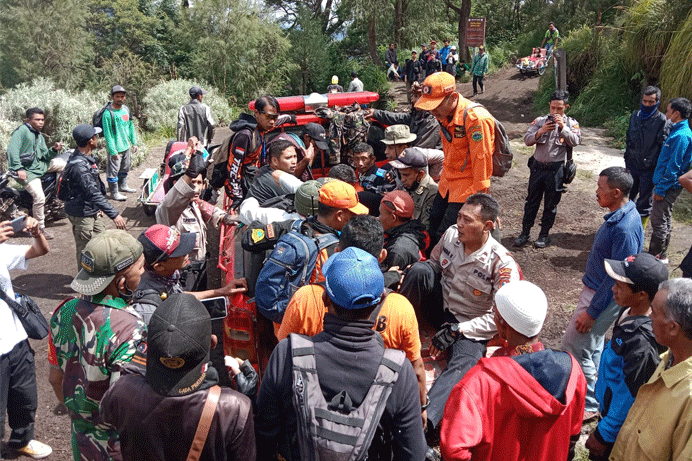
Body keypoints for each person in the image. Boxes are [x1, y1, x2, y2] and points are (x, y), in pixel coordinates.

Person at [255, 247, 426, 460]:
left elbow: (264, 434)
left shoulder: (287, 355)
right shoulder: (399, 372)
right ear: (381, 298)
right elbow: (413, 454)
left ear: (325, 297)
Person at [277, 215, 427, 421]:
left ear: (337, 251)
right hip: (373, 421)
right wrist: (422, 408)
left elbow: (284, 358)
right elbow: (416, 369)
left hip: (310, 415)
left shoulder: (305, 297)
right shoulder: (400, 307)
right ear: (382, 256)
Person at [399, 193, 520, 431]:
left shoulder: (501, 264)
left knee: (465, 364)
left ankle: (424, 422)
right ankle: (395, 328)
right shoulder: (451, 235)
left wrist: (458, 329)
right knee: (420, 271)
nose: (460, 224)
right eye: (459, 217)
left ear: (487, 226)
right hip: (440, 306)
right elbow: (433, 264)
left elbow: (500, 318)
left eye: (467, 220)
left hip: (469, 322)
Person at [440, 281, 586, 461]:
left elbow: (453, 450)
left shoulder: (479, 382)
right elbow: (573, 435)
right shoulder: (572, 370)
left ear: (501, 325)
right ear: (544, 320)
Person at [100, 293, 256, 461]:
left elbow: (108, 421)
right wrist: (249, 401)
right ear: (212, 343)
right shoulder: (234, 407)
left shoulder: (122, 391)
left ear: (148, 346)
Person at [49, 230, 146, 461]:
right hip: (117, 448)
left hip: (81, 440)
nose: (144, 272)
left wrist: (81, 418)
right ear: (121, 283)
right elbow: (126, 407)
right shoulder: (130, 329)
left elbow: (55, 378)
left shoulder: (63, 311)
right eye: (141, 267)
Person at [561, 167, 644, 421]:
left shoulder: (624, 228)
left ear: (616, 192)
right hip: (600, 292)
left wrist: (592, 312)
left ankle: (588, 405)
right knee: (593, 345)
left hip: (601, 295)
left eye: (601, 188)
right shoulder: (623, 216)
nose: (596, 192)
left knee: (575, 345)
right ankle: (596, 393)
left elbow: (616, 277)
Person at [584, 253, 668, 461]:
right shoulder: (628, 311)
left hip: (618, 430)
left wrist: (603, 435)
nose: (613, 288)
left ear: (641, 295)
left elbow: (629, 395)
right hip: (608, 411)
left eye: (620, 286)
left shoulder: (641, 343)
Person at [609, 278, 692, 460]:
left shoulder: (688, 398)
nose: (649, 317)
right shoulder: (669, 358)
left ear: (672, 328)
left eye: (654, 312)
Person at [414, 71, 495, 247]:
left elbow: (482, 161)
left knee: (448, 236)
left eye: (436, 105)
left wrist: (481, 203)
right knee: (432, 224)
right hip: (447, 184)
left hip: (466, 189)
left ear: (453, 97)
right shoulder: (444, 116)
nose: (432, 111)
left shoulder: (475, 119)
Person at [0, 217, 51, 459]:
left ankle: (22, 440)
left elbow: (39, 251)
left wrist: (36, 233)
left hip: (17, 342)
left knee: (25, 399)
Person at [130, 224, 247, 325]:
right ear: (159, 266)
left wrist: (222, 291)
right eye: (179, 253)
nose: (187, 253)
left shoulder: (166, 276)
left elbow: (179, 296)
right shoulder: (147, 311)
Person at [156, 137, 234, 289]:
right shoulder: (168, 209)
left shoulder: (195, 204)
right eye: (192, 183)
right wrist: (191, 171)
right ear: (176, 184)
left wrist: (225, 217)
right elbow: (175, 197)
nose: (197, 188)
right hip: (182, 274)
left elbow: (210, 209)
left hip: (200, 267)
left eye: (199, 182)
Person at [514, 90, 581, 249]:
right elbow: (527, 140)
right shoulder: (539, 121)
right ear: (549, 105)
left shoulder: (571, 124)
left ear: (566, 107)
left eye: (560, 108)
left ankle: (544, 235)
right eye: (553, 108)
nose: (555, 111)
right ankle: (525, 233)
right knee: (531, 202)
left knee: (550, 205)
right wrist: (541, 131)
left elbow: (575, 141)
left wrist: (563, 127)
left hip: (556, 170)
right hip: (537, 168)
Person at [62, 124, 127, 270]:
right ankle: (83, 280)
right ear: (90, 141)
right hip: (82, 214)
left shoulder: (88, 158)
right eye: (95, 136)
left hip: (92, 210)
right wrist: (114, 215)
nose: (98, 138)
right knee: (86, 250)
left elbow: (97, 185)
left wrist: (99, 206)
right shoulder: (80, 167)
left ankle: (98, 273)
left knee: (100, 243)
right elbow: (92, 192)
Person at [224, 95, 292, 210]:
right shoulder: (245, 135)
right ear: (256, 113)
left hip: (255, 179)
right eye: (268, 116)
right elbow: (233, 169)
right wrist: (237, 197)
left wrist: (290, 117)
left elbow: (278, 121)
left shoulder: (262, 128)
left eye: (275, 117)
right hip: (243, 186)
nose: (272, 121)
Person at [6, 107, 65, 239]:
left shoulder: (38, 134)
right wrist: (19, 168)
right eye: (37, 120)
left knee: (66, 165)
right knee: (39, 198)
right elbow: (12, 151)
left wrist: (54, 149)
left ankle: (57, 196)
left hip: (40, 166)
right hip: (27, 171)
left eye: (42, 120)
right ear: (28, 120)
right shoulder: (21, 132)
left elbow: (45, 156)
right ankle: (40, 228)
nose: (41, 122)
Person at [648, 97, 692, 263]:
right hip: (667, 184)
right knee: (664, 218)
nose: (666, 114)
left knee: (658, 221)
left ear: (676, 113)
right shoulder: (678, 131)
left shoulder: (681, 136)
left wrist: (661, 189)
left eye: (668, 111)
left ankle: (654, 258)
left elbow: (674, 166)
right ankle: (662, 255)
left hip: (668, 186)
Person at [624, 86, 670, 226]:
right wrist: (628, 156)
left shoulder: (661, 120)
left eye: (651, 102)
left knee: (644, 202)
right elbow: (629, 137)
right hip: (631, 164)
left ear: (657, 102)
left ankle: (639, 230)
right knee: (626, 196)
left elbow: (663, 146)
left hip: (649, 168)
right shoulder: (635, 116)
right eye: (645, 101)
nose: (647, 105)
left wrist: (657, 167)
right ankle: (624, 226)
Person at [379, 190, 426, 288]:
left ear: (393, 218)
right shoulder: (413, 229)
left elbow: (389, 285)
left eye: (381, 214)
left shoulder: (397, 250)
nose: (378, 218)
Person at [103, 85, 138, 201]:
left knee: (125, 168)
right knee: (113, 172)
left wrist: (134, 143)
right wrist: (113, 151)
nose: (120, 99)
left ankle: (123, 186)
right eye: (117, 96)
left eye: (122, 96)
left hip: (126, 146)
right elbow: (107, 133)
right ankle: (114, 193)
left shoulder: (126, 110)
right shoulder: (108, 113)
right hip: (115, 148)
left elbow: (130, 126)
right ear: (112, 97)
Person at [390, 147, 439, 229]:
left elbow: (425, 228)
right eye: (400, 174)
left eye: (406, 175)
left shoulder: (432, 192)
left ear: (420, 175)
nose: (402, 179)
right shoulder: (409, 185)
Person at [365, 101, 443, 151]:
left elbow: (419, 151)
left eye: (420, 96)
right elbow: (397, 118)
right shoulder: (417, 115)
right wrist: (375, 113)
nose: (416, 100)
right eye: (415, 96)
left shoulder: (432, 122)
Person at [246, 139, 300, 205]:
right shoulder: (273, 181)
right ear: (274, 161)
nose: (294, 161)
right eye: (288, 158)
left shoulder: (265, 169)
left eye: (295, 156)